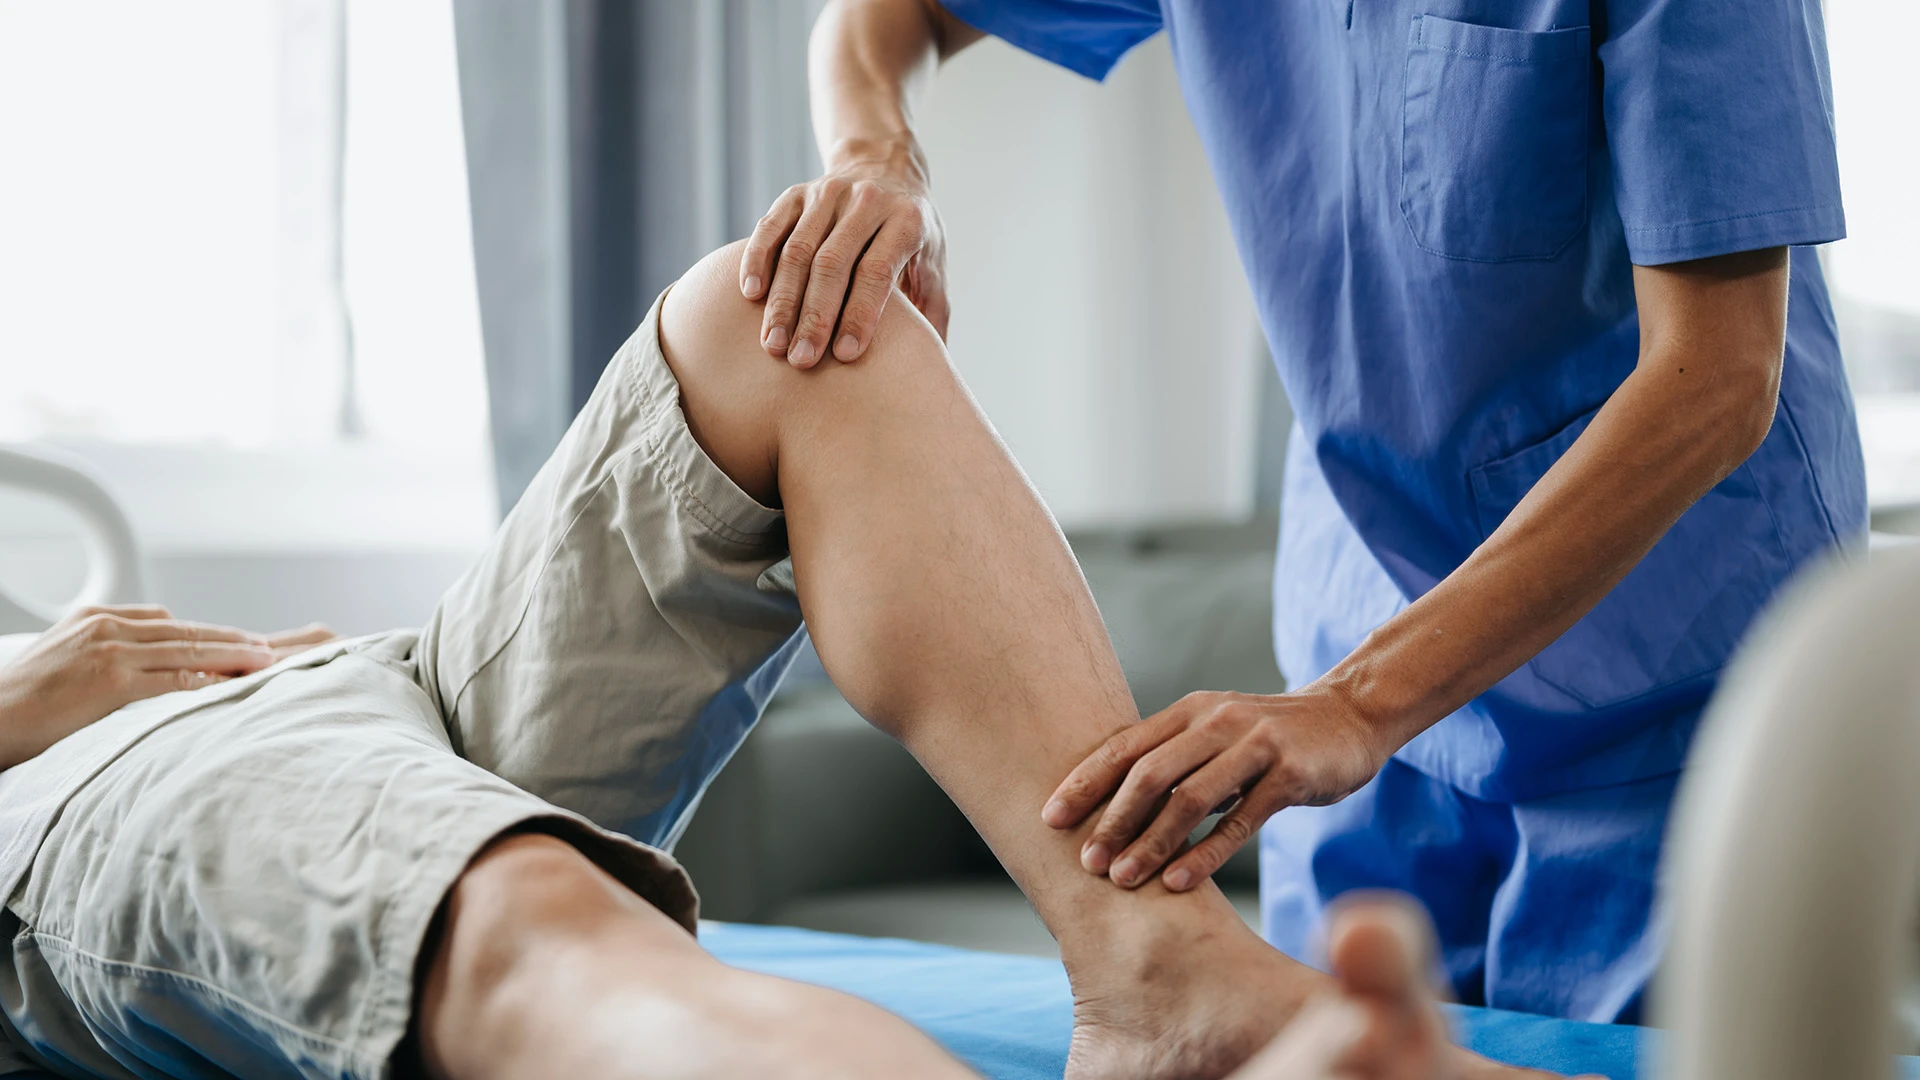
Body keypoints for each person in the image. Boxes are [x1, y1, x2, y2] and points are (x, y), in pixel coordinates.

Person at [0, 244, 1557, 1080]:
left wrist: (876, 152)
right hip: (66, 781)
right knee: (521, 914)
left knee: (783, 310)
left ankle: (1165, 975)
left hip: (350, 681)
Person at [746, 0, 1865, 1023]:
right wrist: (876, 155)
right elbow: (889, 14)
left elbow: (1720, 378)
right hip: (1366, 646)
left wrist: (1358, 706)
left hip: (1674, 691)